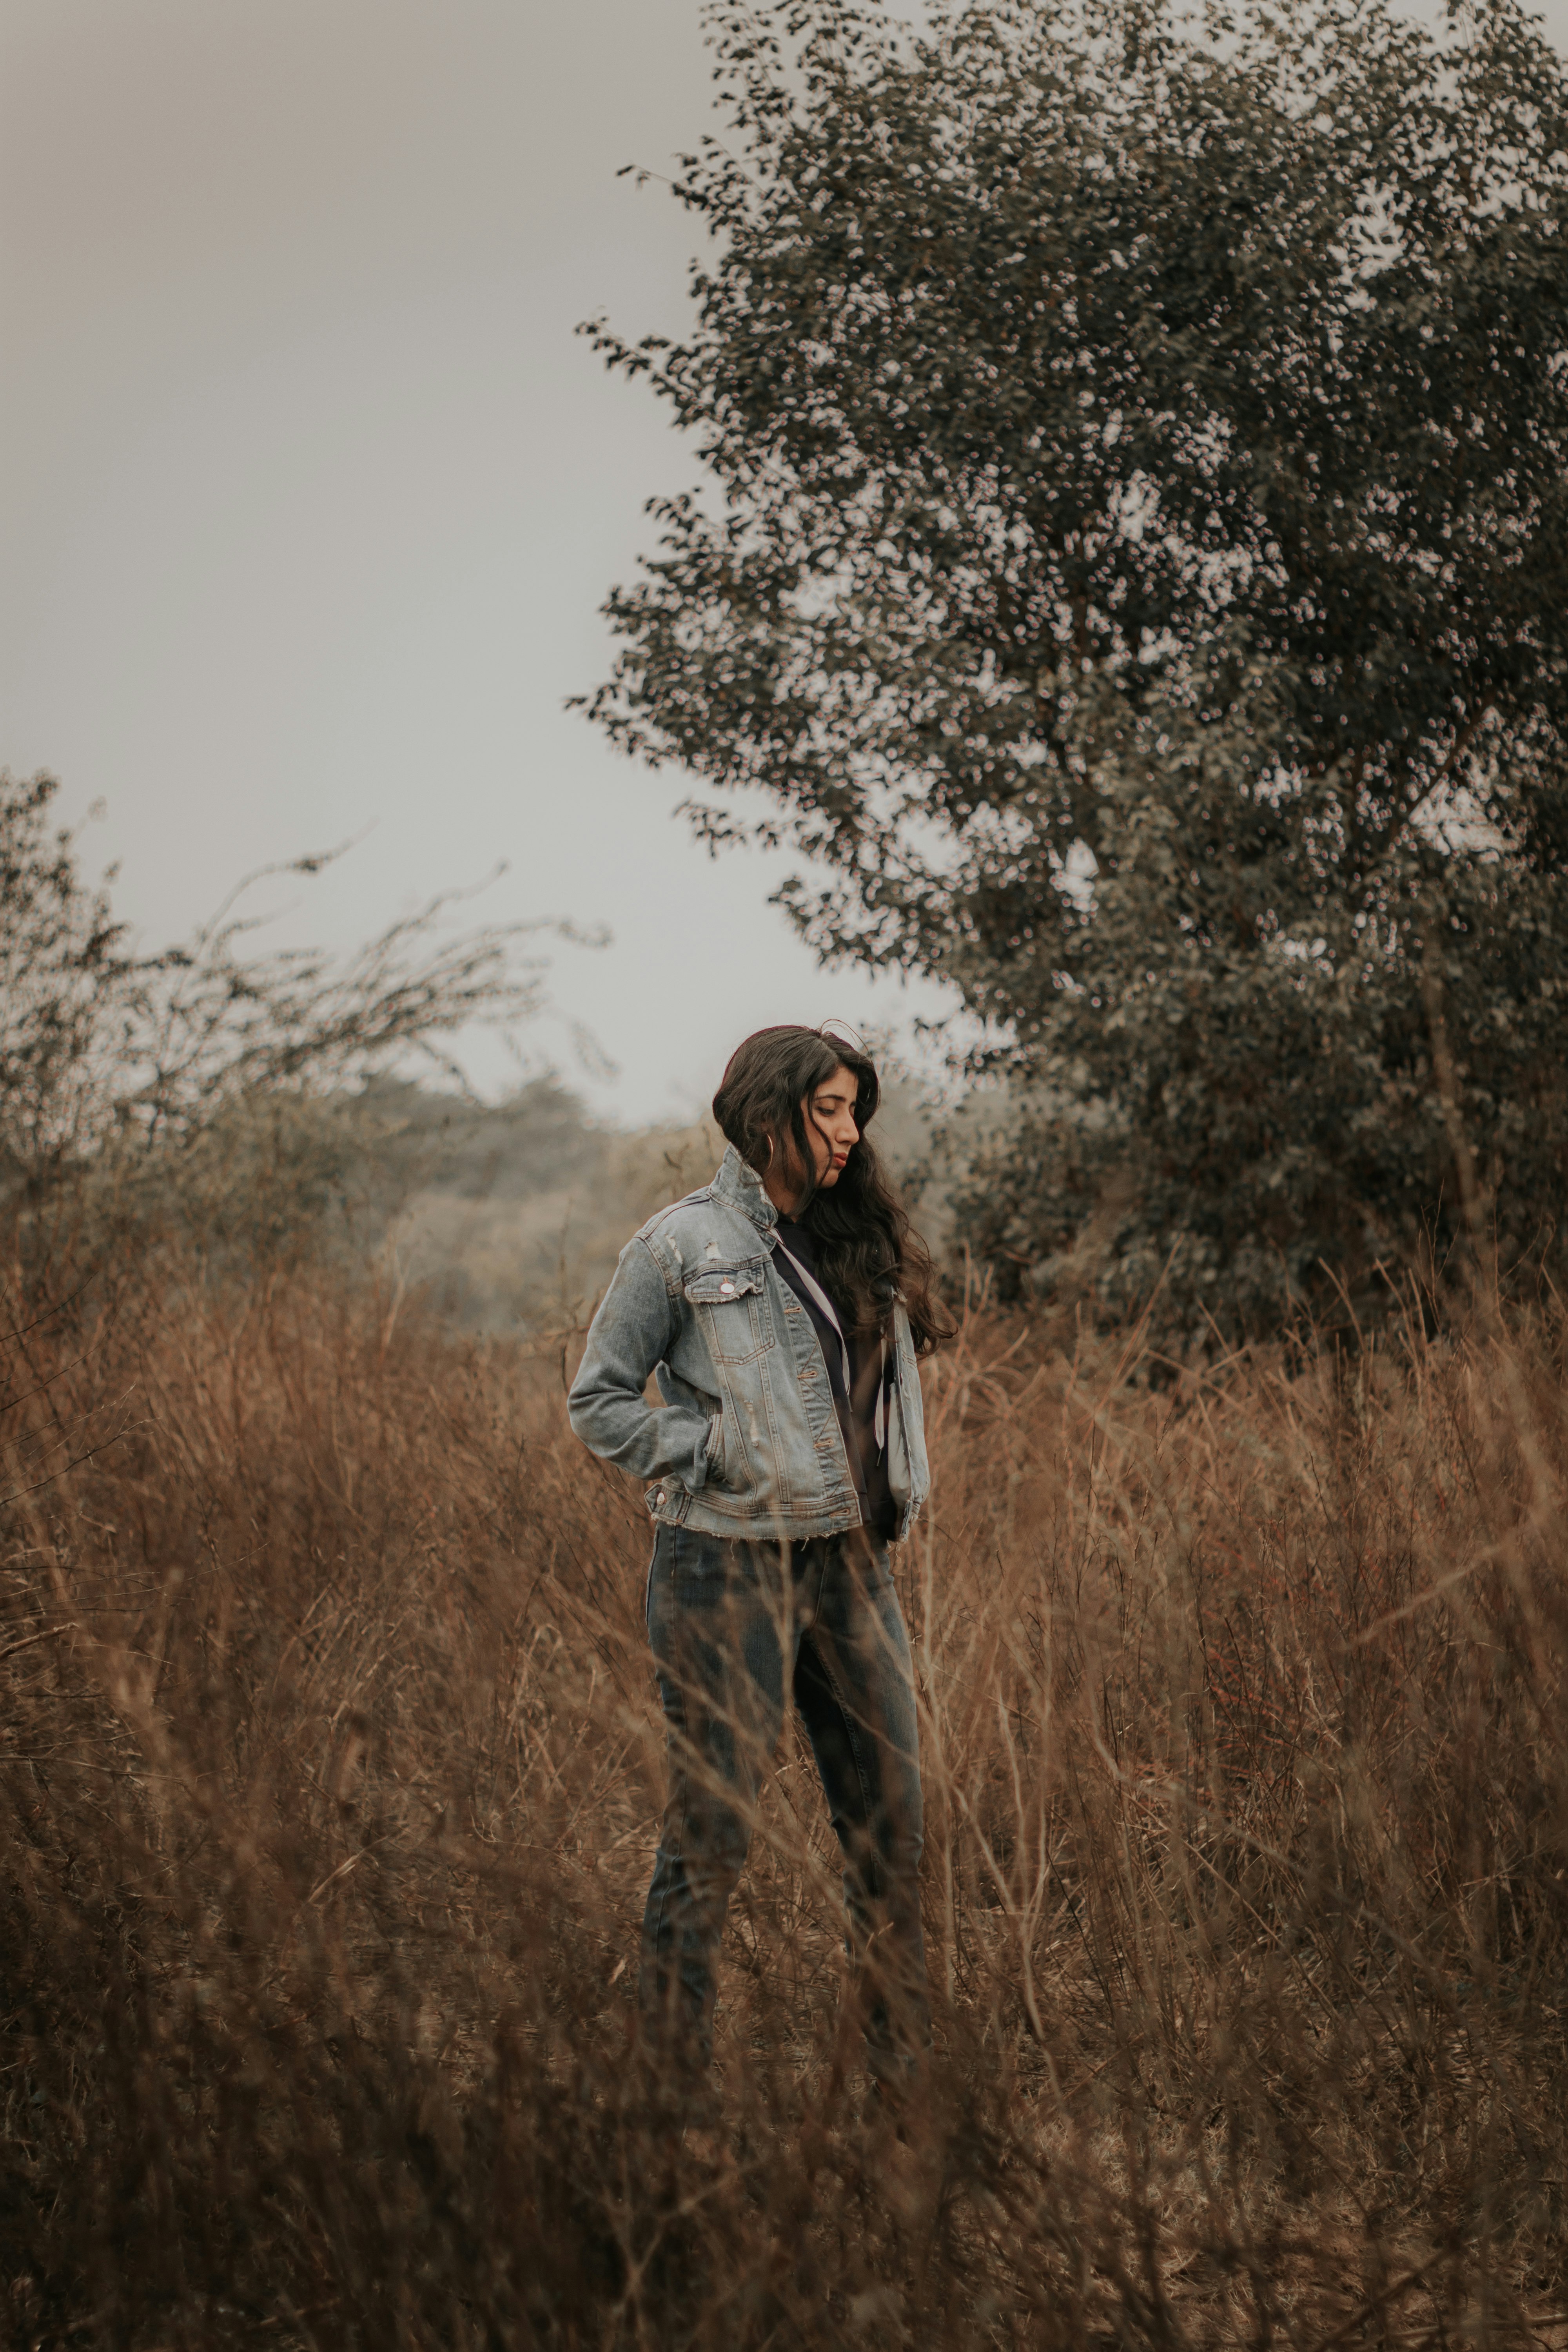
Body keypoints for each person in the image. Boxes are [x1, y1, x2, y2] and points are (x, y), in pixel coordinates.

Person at [567, 1024, 952, 2100]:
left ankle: (901, 2095)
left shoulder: (852, 1236)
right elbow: (597, 1400)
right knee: (711, 1838)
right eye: (826, 1110)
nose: (847, 1132)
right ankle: (669, 2091)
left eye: (852, 1112)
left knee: (892, 1835)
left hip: (851, 1569)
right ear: (764, 1115)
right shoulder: (678, 1248)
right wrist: (712, 1449)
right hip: (723, 1567)